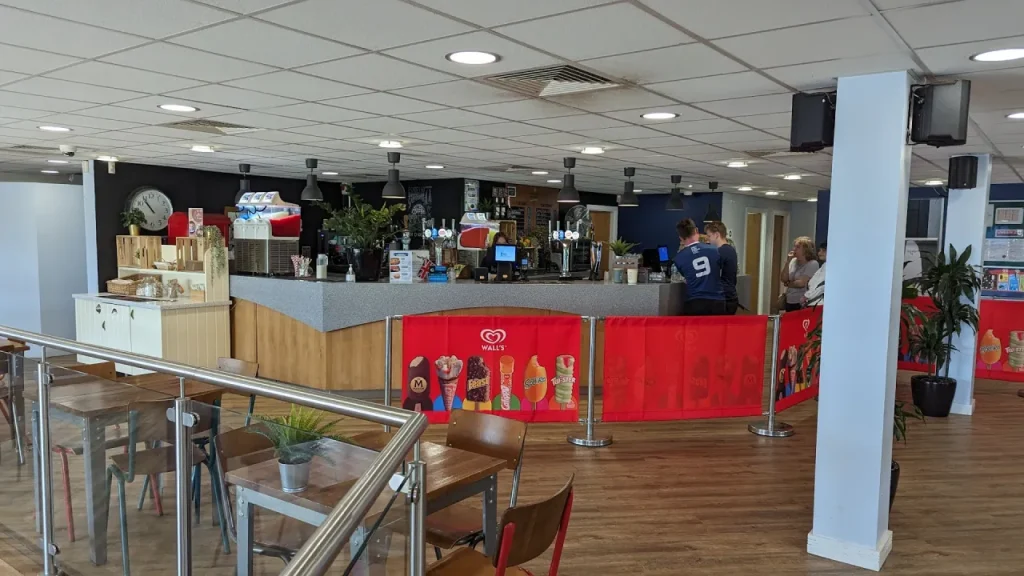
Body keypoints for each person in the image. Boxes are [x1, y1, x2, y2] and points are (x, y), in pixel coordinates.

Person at [673, 218, 726, 315]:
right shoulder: (715, 250)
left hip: (695, 302)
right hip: (717, 301)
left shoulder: (679, 258)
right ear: (696, 230)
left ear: (680, 238)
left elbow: (684, 277)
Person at [705, 221, 738, 314]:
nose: (708, 239)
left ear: (716, 235)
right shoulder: (730, 249)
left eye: (709, 236)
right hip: (731, 296)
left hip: (723, 298)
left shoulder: (720, 252)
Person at [780, 236, 819, 312]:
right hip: (789, 300)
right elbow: (783, 278)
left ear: (805, 250)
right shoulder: (793, 261)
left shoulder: (812, 264)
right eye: (794, 246)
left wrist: (788, 283)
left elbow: (801, 283)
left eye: (797, 247)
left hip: (802, 302)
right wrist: (787, 262)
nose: (794, 249)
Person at [804, 241, 826, 306]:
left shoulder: (829, 267)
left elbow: (821, 286)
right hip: (814, 303)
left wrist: (807, 296)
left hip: (818, 304)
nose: (820, 253)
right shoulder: (823, 266)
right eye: (819, 250)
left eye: (824, 250)